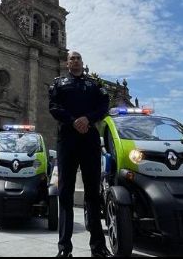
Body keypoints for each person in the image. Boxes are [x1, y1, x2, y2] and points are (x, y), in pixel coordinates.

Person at [49, 51, 111, 258]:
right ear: (67, 63)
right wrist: (73, 120)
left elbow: (104, 106)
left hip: (89, 139)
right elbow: (54, 107)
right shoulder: (58, 83)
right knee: (65, 193)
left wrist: (87, 118)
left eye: (78, 58)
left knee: (93, 193)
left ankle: (98, 248)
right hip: (67, 138)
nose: (75, 61)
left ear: (82, 63)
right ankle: (64, 248)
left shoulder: (94, 84)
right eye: (72, 58)